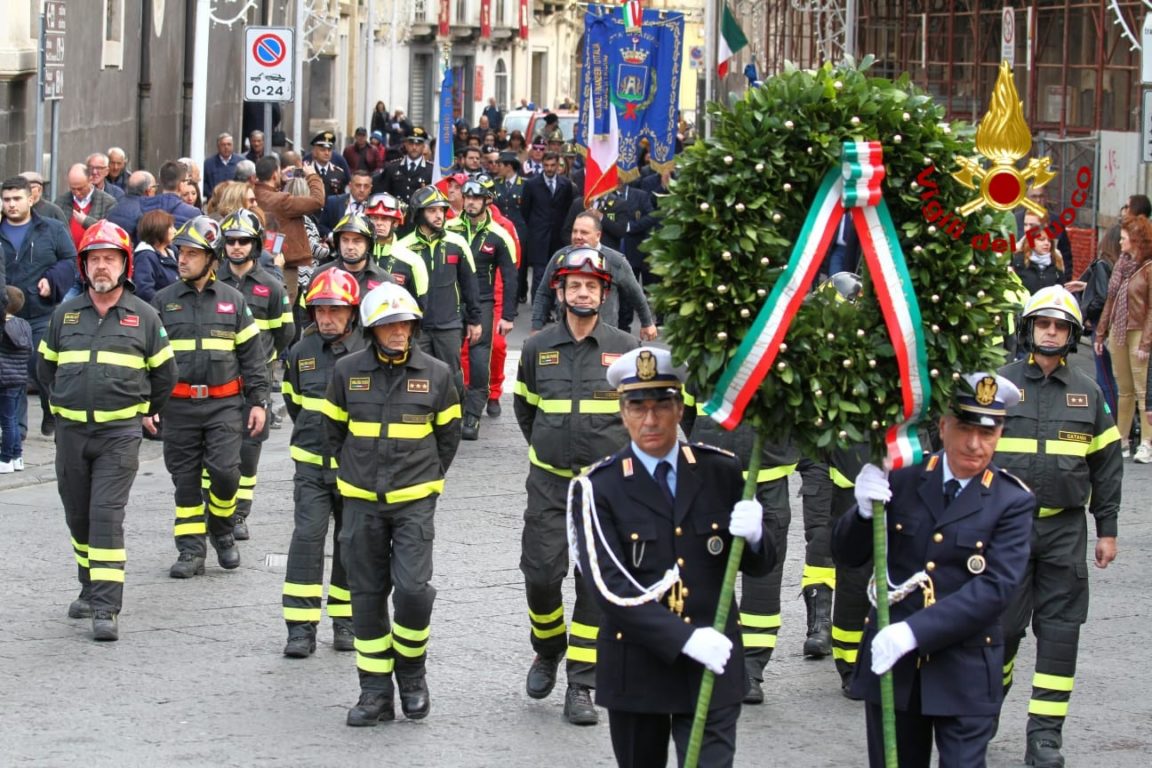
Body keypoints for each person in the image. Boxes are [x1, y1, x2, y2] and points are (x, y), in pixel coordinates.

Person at [567, 346, 773, 766]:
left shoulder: (721, 471)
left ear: (680, 410)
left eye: (662, 406)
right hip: (639, 670)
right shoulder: (597, 488)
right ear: (622, 414)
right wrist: (685, 639)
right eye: (637, 407)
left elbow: (759, 565)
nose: (650, 420)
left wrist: (757, 536)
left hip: (713, 665)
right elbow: (610, 589)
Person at [834, 373, 1034, 768]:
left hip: (965, 671)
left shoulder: (1011, 501)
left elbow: (995, 589)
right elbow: (848, 555)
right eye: (964, 429)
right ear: (943, 426)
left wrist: (913, 632)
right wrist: (859, 512)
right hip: (897, 673)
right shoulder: (904, 477)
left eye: (987, 433)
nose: (975, 445)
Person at [323, 282, 461, 726]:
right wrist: (354, 475)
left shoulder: (438, 374)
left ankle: (413, 676)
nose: (398, 331)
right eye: (388, 325)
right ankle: (375, 692)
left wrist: (426, 479)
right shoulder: (346, 372)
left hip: (414, 504)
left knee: (414, 592)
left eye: (404, 323)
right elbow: (332, 433)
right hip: (361, 504)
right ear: (372, 329)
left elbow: (448, 438)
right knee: (365, 597)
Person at [513, 248, 639, 726]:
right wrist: (551, 447)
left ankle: (582, 684)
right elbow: (527, 410)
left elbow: (641, 418)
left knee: (594, 588)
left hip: (605, 492)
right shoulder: (536, 346)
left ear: (604, 294)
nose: (582, 292)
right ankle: (547, 649)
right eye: (573, 286)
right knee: (541, 575)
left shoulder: (626, 350)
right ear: (561, 293)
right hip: (548, 483)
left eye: (591, 286)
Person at [37, 221, 177, 641]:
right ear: (83, 266)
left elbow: (166, 376)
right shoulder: (66, 314)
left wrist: (144, 411)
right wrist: (60, 407)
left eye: (109, 259)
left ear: (124, 265)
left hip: (119, 434)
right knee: (78, 516)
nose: (102, 266)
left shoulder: (145, 317)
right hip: (72, 435)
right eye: (94, 259)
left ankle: (105, 606)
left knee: (105, 517)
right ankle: (88, 583)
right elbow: (45, 369)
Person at [1000, 286, 1121, 767]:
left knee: (1060, 635)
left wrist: (1107, 529)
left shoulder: (1088, 393)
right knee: (999, 630)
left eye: (1060, 326)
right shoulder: (999, 386)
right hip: (1005, 532)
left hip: (1064, 533)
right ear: (1028, 329)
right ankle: (984, 706)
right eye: (1043, 324)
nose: (1051, 332)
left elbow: (1108, 465)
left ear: (1071, 335)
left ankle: (1045, 737)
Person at [150, 216, 270, 579]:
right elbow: (148, 360)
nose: (182, 259)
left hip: (224, 406)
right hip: (179, 407)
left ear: (211, 258)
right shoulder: (162, 302)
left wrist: (259, 401)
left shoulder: (233, 302)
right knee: (184, 480)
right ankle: (190, 550)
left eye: (191, 253)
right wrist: (148, 406)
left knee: (225, 473)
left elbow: (253, 357)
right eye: (180, 252)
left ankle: (220, 526)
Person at [281, 268, 366, 657]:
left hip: (354, 469)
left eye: (334, 311)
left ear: (352, 311)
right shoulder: (301, 353)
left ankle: (345, 621)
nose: (326, 319)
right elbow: (294, 403)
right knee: (307, 539)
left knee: (350, 544)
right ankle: (300, 627)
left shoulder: (368, 353)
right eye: (319, 310)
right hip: (312, 465)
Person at [216, 209, 294, 541]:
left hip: (254, 382)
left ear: (255, 244)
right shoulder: (212, 281)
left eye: (243, 241)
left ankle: (239, 514)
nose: (236, 247)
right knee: (217, 454)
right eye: (231, 241)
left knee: (248, 452)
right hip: (218, 379)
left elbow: (286, 332)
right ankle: (216, 508)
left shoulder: (271, 286)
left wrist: (264, 361)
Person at [2, 175, 77, 438]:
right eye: (6, 199)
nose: (11, 205)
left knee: (41, 367)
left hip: (40, 313)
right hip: (6, 315)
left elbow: (70, 260)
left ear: (30, 199)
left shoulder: (52, 229)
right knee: (11, 375)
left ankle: (50, 409)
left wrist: (52, 280)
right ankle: (17, 431)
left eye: (16, 199)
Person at [446, 176, 517, 440]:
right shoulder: (449, 228)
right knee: (450, 355)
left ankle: (474, 414)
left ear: (487, 201)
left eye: (477, 198)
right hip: (453, 300)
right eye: (468, 197)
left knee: (478, 358)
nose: (472, 203)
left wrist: (508, 315)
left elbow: (511, 278)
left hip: (484, 303)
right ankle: (454, 407)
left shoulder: (500, 235)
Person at [397, 186, 482, 399]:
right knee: (417, 376)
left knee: (452, 377)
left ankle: (454, 423)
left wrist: (475, 320)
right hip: (418, 327)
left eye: (442, 210)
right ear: (419, 213)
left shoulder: (458, 243)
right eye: (432, 210)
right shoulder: (403, 247)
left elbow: (470, 283)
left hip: (450, 325)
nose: (439, 215)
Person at [532, 212, 657, 339]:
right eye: (574, 231)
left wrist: (647, 322)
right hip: (566, 335)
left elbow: (635, 293)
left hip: (604, 338)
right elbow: (543, 292)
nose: (578, 236)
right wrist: (536, 326)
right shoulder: (560, 258)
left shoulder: (615, 261)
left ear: (598, 235)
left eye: (584, 232)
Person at [1094, 214, 1152, 461]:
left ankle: (1147, 443)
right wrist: (1100, 333)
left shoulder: (1149, 268)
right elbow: (1111, 300)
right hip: (1118, 331)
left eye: (1125, 239)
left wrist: (1146, 342)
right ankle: (1122, 439)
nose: (1120, 242)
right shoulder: (1121, 265)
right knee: (1124, 390)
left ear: (1136, 241)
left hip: (1139, 331)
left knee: (1142, 392)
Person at [252, 156, 325, 305]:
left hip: (256, 262)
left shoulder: (252, 194)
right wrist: (312, 176)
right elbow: (318, 201)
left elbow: (269, 195)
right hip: (283, 265)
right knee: (283, 308)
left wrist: (281, 181)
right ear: (274, 175)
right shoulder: (281, 201)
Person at [521, 152, 574, 302]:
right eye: (546, 166)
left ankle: (552, 306)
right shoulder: (531, 184)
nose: (549, 169)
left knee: (556, 273)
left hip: (557, 237)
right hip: (538, 236)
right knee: (539, 273)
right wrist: (535, 226)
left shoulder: (565, 184)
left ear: (558, 165)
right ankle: (540, 307)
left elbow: (567, 209)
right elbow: (525, 210)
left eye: (552, 165)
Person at [364, 192, 427, 304]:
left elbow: (421, 304)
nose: (378, 223)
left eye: (385, 219)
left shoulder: (413, 261)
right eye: (374, 218)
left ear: (396, 223)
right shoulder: (359, 255)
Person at [372, 127, 433, 230]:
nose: (414, 147)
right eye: (411, 143)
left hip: (420, 224)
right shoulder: (392, 168)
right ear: (405, 144)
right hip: (397, 222)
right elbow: (381, 194)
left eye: (418, 144)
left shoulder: (430, 171)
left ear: (423, 146)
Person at [0, 287, 32, 473]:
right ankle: (17, 457)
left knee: (7, 421)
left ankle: (5, 459)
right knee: (13, 419)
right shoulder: (24, 325)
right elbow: (30, 350)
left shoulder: (3, 325)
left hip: (4, 379)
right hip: (20, 378)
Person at [54, 163, 118, 248]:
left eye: (80, 188)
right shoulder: (60, 202)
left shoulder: (108, 202)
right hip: (68, 257)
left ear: (90, 180)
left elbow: (111, 233)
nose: (77, 192)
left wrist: (86, 221)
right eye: (73, 188)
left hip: (94, 255)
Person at [131, 210, 179, 302]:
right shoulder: (145, 257)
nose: (175, 231)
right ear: (159, 230)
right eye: (171, 227)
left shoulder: (172, 250)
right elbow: (144, 291)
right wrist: (168, 304)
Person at [1012, 219, 1067, 295]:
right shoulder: (1018, 261)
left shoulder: (1056, 261)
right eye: (1041, 240)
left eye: (1049, 240)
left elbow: (1062, 288)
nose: (1046, 243)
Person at [319, 169, 374, 239]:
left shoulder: (374, 206)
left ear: (370, 188)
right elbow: (321, 226)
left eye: (366, 186)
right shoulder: (334, 202)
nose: (362, 190)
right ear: (350, 186)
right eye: (358, 185)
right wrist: (332, 237)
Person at [305, 131, 351, 199]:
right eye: (322, 150)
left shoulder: (339, 173)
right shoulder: (307, 171)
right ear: (314, 152)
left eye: (329, 150)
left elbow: (342, 197)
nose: (326, 153)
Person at [202, 133, 241, 201]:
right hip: (214, 202)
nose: (226, 147)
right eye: (223, 145)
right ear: (218, 146)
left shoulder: (241, 162)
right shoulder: (208, 163)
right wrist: (213, 195)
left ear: (233, 146)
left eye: (229, 144)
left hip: (235, 202)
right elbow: (203, 183)